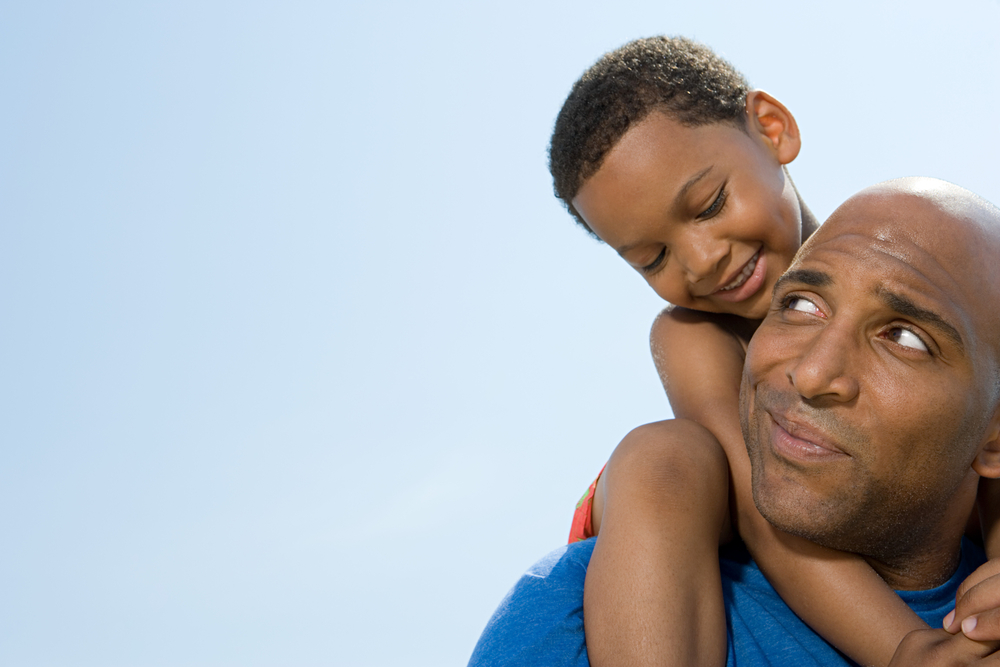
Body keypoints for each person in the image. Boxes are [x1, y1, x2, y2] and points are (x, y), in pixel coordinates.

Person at [547, 36, 984, 667]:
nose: (702, 262)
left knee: (972, 386)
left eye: (709, 205)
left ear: (772, 130)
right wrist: (907, 648)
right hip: (700, 510)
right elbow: (764, 507)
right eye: (654, 259)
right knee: (664, 453)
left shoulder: (901, 264)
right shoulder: (693, 332)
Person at [469, 178, 1000, 666]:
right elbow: (749, 500)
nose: (812, 374)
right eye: (800, 304)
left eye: (905, 338)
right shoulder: (579, 611)